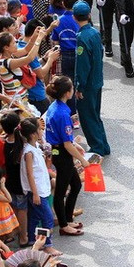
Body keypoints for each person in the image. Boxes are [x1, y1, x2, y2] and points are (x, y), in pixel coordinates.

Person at [44, 75, 89, 237]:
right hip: (62, 154)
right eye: (72, 88)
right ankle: (64, 225)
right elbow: (67, 144)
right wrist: (82, 160)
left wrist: (74, 144)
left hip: (59, 150)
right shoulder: (62, 113)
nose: (73, 90)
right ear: (67, 93)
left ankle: (68, 218)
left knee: (75, 185)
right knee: (61, 190)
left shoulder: (55, 106)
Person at [73, 1, 110, 155]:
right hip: (97, 80)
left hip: (87, 84)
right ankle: (103, 145)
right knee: (95, 114)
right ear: (89, 15)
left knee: (87, 116)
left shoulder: (81, 37)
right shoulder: (94, 33)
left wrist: (79, 86)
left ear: (74, 17)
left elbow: (82, 66)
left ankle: (97, 147)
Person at [19, 118, 60, 256]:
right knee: (47, 218)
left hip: (41, 188)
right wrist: (35, 193)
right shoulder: (29, 152)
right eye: (39, 130)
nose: (41, 131)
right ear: (33, 134)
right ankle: (47, 244)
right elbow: (30, 174)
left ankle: (32, 240)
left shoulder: (35, 146)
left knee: (35, 217)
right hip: (36, 191)